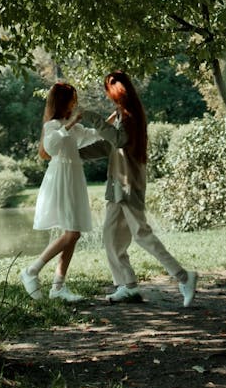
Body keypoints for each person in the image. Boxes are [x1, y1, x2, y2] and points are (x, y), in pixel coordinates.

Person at [81, 70, 198, 306]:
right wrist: (72, 155)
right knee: (111, 236)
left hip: (129, 184)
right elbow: (109, 147)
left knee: (141, 235)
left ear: (117, 91)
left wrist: (93, 118)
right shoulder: (121, 116)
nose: (108, 96)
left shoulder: (130, 116)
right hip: (117, 185)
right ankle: (128, 285)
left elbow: (119, 141)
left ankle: (184, 277)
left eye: (109, 91)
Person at [20, 81, 102, 303]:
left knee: (73, 234)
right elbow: (51, 147)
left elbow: (94, 135)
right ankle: (31, 270)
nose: (74, 104)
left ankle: (58, 287)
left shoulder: (71, 125)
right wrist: (71, 123)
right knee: (72, 233)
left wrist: (115, 118)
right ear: (62, 102)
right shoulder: (53, 125)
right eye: (71, 100)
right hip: (61, 179)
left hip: (74, 178)